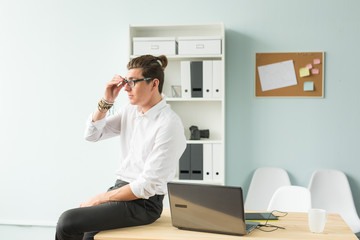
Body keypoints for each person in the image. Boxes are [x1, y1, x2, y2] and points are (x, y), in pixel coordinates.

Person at [55, 55, 187, 240]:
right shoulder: (130, 111)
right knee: (87, 235)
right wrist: (106, 101)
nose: (126, 88)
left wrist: (100, 198)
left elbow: (147, 185)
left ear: (154, 84)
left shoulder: (169, 124)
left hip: (144, 203)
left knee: (67, 221)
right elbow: (93, 134)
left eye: (133, 82)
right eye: (126, 82)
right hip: (120, 191)